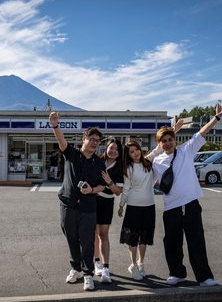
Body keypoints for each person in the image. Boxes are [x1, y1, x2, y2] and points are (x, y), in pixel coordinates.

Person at [152, 100, 222, 286]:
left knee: (196, 240)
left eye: (170, 139)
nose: (168, 143)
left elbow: (201, 132)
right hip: (171, 206)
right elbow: (150, 174)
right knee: (172, 242)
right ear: (159, 143)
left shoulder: (186, 150)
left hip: (191, 204)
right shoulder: (156, 161)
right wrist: (161, 184)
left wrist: (217, 117)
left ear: (175, 140)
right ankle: (176, 273)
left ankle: (205, 277)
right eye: (164, 141)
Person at [118, 120, 183, 281]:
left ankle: (141, 263)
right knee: (132, 238)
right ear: (128, 155)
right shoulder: (128, 168)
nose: (135, 153)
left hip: (149, 206)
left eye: (136, 150)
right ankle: (133, 265)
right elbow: (126, 189)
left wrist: (175, 129)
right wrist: (121, 205)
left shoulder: (148, 162)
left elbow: (159, 147)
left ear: (140, 150)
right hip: (133, 206)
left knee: (144, 238)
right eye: (131, 152)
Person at [49, 111, 106, 291]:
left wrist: (91, 190)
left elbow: (102, 185)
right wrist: (55, 125)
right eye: (92, 139)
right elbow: (61, 141)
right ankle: (76, 268)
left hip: (88, 208)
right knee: (71, 238)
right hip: (68, 205)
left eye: (97, 140)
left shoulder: (99, 162)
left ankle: (88, 273)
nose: (95, 142)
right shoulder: (72, 154)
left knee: (87, 241)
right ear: (84, 139)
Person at [93, 138, 124, 284]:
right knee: (92, 233)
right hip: (92, 200)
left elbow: (118, 192)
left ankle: (106, 268)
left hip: (106, 201)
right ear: (106, 148)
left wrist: (109, 181)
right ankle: (96, 262)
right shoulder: (98, 161)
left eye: (116, 150)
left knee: (103, 234)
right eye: (111, 148)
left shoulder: (120, 168)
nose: (113, 151)